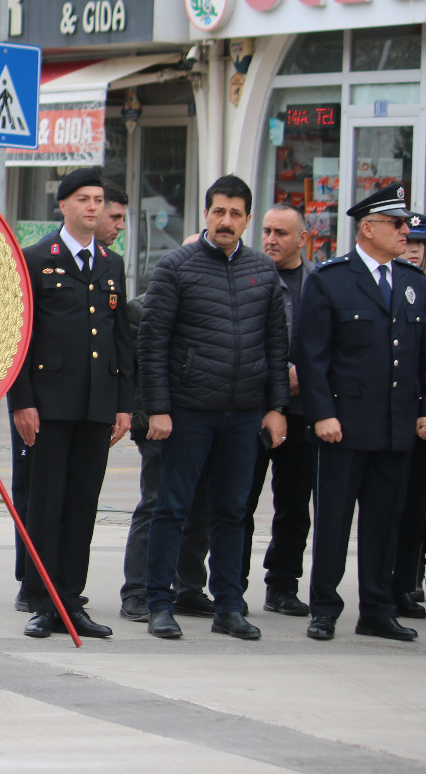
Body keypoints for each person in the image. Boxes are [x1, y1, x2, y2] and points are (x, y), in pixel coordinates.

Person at [138, 176, 289, 642]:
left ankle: (229, 606)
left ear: (247, 218)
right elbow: (152, 343)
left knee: (233, 511)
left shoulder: (263, 272)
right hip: (187, 412)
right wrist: (158, 409)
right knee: (172, 509)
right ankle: (160, 603)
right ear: (206, 213)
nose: (226, 221)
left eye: (236, 214)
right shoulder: (175, 267)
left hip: (244, 414)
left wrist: (276, 407)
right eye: (218, 211)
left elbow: (276, 345)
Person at [294, 182, 426, 642]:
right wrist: (322, 413)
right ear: (369, 228)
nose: (406, 231)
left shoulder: (414, 284)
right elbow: (312, 355)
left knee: (385, 522)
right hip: (345, 425)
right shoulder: (331, 279)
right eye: (397, 224)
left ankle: (377, 608)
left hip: (396, 426)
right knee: (335, 521)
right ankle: (325, 607)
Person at [9, 167, 130, 641]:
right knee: (46, 503)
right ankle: (42, 600)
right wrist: (22, 402)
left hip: (96, 405)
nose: (93, 207)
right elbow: (21, 338)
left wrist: (123, 403)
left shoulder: (111, 264)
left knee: (83, 504)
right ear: (63, 205)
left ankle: (71, 599)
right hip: (49, 404)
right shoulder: (37, 258)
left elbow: (120, 341)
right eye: (83, 199)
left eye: (99, 199)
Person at [240, 203, 318, 617]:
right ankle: (231, 584)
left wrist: (304, 373)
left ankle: (283, 584)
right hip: (252, 408)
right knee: (240, 500)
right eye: (267, 230)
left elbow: (333, 342)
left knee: (293, 503)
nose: (271, 239)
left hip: (303, 412)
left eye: (281, 233)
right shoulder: (248, 276)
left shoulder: (319, 282)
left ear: (302, 239)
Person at [118, 287, 213, 623]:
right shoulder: (141, 310)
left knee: (199, 505)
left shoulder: (211, 303)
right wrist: (137, 415)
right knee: (157, 502)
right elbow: (130, 371)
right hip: (156, 423)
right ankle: (137, 591)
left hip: (202, 418)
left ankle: (189, 588)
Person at [392, 211, 426, 617]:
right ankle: (403, 575)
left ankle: (416, 570)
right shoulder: (385, 289)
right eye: (407, 241)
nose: (412, 250)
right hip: (392, 414)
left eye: (419, 245)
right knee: (402, 504)